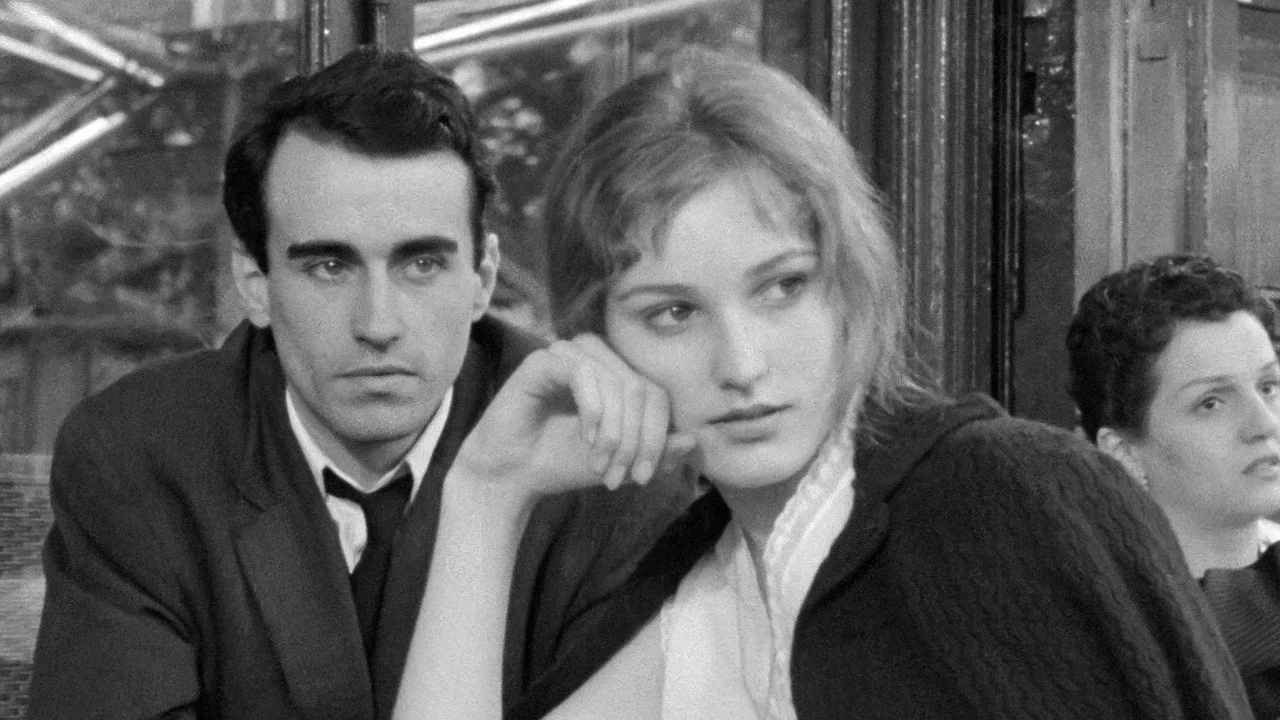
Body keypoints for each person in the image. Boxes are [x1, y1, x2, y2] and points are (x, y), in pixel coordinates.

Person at [393, 51, 1252, 719]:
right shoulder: (694, 584)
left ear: (850, 282)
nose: (742, 363)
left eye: (782, 287)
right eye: (673, 313)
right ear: (599, 341)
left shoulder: (1007, 490)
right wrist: (486, 495)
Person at [29, 47, 687, 720]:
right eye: (329, 267)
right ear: (254, 284)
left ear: (483, 279)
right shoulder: (138, 459)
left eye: (421, 264)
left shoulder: (599, 463)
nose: (378, 325)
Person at [1067, 253, 1280, 718]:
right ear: (1123, 452)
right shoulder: (1102, 626)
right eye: (1211, 402)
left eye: (1268, 386)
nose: (1265, 424)